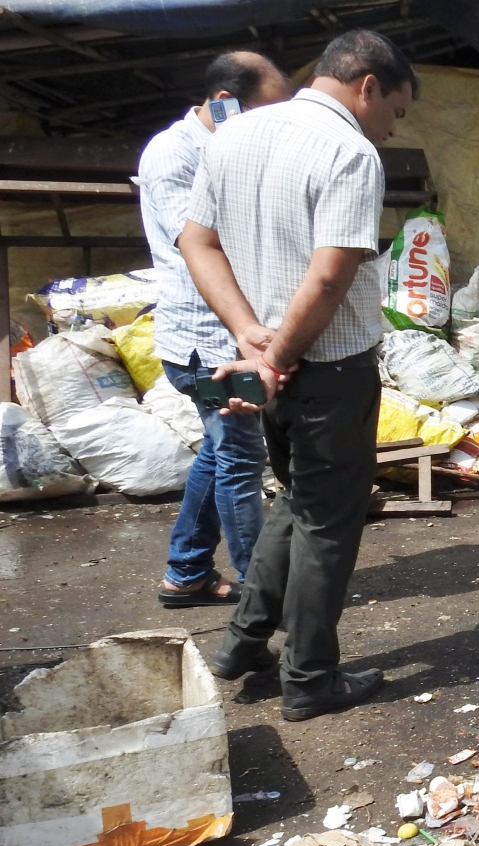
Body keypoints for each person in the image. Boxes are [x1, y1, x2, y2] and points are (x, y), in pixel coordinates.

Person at [178, 29, 416, 720]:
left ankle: (243, 642)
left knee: (296, 502)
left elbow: (197, 240)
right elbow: (331, 271)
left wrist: (250, 334)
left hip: (266, 358)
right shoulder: (348, 149)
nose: (391, 125)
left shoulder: (234, 136)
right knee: (329, 523)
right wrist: (276, 355)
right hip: (327, 366)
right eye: (396, 110)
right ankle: (309, 679)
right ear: (368, 85)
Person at [141, 51, 290, 609]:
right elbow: (202, 244)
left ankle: (185, 572)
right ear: (225, 105)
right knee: (241, 459)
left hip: (235, 333)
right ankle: (262, 590)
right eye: (266, 113)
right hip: (205, 339)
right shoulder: (173, 154)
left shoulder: (236, 150)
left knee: (220, 453)